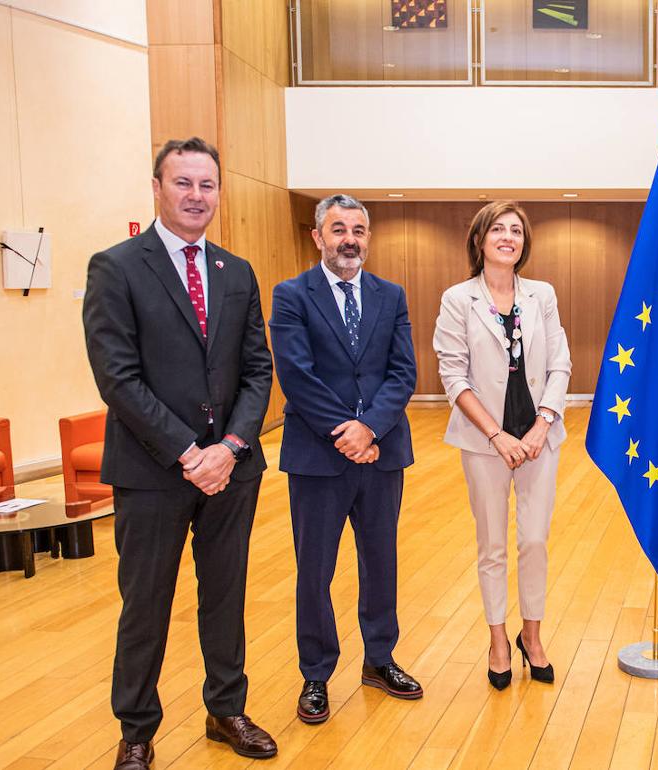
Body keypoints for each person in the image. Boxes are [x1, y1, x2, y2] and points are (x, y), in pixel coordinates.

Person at [83, 137, 276, 770]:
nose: (198, 196)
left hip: (232, 469)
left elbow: (257, 371)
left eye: (208, 185)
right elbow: (118, 378)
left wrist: (229, 446)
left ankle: (227, 708)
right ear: (159, 188)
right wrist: (188, 451)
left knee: (225, 594)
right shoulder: (115, 268)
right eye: (184, 183)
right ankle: (137, 729)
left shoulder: (236, 271)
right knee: (147, 604)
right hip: (152, 472)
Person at [269, 194, 421, 723]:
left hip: (382, 455)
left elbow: (403, 372)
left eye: (358, 229)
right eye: (338, 229)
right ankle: (316, 673)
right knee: (315, 569)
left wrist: (371, 428)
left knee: (381, 560)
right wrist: (348, 432)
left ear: (368, 237)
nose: (349, 239)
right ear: (318, 237)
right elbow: (295, 375)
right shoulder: (291, 296)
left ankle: (379, 659)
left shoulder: (391, 295)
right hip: (318, 457)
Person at [432, 201, 571, 690]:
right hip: (484, 441)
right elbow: (453, 374)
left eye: (516, 230)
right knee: (491, 545)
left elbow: (560, 364)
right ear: (480, 240)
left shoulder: (542, 295)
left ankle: (531, 636)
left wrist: (540, 427)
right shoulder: (457, 299)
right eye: (498, 229)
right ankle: (497, 640)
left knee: (534, 540)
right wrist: (497, 434)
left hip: (539, 440)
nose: (508, 237)